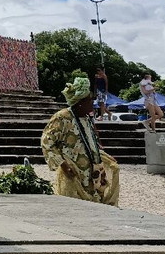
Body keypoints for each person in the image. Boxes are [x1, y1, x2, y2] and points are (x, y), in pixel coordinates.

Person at [41, 76, 120, 205]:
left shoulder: (87, 118)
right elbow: (47, 142)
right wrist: (63, 164)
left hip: (92, 174)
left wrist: (104, 157)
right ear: (80, 103)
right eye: (89, 100)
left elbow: (89, 143)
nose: (92, 103)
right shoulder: (62, 118)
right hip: (74, 174)